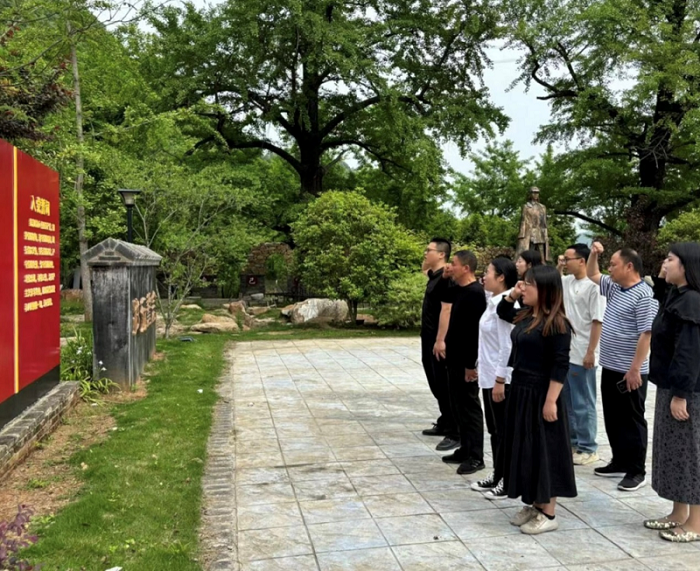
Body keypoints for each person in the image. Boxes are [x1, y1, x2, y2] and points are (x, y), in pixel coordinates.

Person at [497, 265, 576, 534]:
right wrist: (512, 294)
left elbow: (560, 365)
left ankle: (549, 513)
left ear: (544, 289)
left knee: (546, 450)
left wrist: (551, 400)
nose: (523, 288)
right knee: (527, 449)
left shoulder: (558, 324)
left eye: (528, 284)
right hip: (521, 390)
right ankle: (534, 504)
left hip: (542, 393)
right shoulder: (526, 315)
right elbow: (503, 311)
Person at [587, 242, 658, 491]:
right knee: (613, 417)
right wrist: (594, 254)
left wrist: (635, 368)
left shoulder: (645, 296)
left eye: (613, 264)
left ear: (629, 266)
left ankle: (637, 470)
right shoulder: (615, 287)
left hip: (631, 370)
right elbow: (592, 274)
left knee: (632, 419)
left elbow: (646, 334)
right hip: (610, 366)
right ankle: (619, 460)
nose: (610, 269)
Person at [645, 243, 700, 543]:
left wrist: (680, 394)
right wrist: (663, 276)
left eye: (669, 259)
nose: (664, 263)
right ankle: (679, 513)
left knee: (690, 454)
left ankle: (696, 523)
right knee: (674, 453)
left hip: (687, 392)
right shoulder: (676, 295)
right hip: (671, 387)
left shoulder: (692, 301)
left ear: (687, 265)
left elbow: (689, 353)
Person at [471, 257, 518, 499]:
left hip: (501, 380)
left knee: (504, 432)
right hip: (489, 376)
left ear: (501, 277)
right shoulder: (493, 300)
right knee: (495, 430)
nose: (484, 276)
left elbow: (507, 346)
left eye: (488, 272)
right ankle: (498, 474)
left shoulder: (506, 305)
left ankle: (508, 480)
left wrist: (500, 380)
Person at [436, 250, 488, 474]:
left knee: (470, 408)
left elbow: (474, 333)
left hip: (467, 362)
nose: (450, 266)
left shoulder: (475, 293)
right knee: (458, 406)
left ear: (466, 268)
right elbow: (440, 296)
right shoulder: (458, 289)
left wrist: (470, 366)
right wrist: (444, 277)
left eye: (454, 264)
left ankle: (476, 456)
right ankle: (465, 448)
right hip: (454, 358)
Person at [557, 244, 606, 465]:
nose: (565, 262)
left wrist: (591, 352)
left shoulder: (595, 286)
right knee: (568, 401)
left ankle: (589, 447)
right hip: (567, 351)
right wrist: (559, 266)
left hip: (583, 352)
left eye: (568, 259)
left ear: (582, 261)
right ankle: (574, 442)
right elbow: (553, 283)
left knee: (583, 402)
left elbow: (597, 321)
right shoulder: (568, 281)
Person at [420, 238, 457, 442]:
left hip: (438, 338)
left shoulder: (446, 278)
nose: (425, 253)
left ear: (442, 254)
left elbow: (447, 309)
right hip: (428, 337)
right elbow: (424, 268)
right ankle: (445, 419)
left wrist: (440, 339)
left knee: (442, 382)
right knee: (434, 381)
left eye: (429, 250)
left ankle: (454, 426)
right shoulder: (434, 276)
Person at [516, 187, 550, 261]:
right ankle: (530, 262)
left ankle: (542, 262)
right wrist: (522, 234)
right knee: (530, 248)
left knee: (541, 248)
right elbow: (523, 220)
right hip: (529, 231)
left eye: (537, 193)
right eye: (534, 192)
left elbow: (544, 222)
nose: (535, 194)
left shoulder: (542, 207)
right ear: (530, 194)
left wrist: (545, 233)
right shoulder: (526, 206)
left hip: (539, 231)